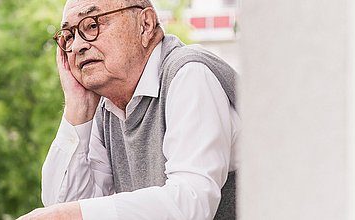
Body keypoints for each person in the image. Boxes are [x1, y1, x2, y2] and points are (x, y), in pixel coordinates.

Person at [17, 0, 239, 219]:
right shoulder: (108, 106)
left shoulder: (189, 74)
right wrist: (78, 108)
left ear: (146, 24)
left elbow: (192, 202)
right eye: (69, 36)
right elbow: (64, 204)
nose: (76, 46)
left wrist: (72, 213)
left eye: (92, 25)